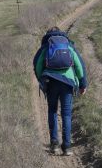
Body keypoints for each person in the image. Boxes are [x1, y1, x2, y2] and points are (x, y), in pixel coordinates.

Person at [33, 27, 88, 156]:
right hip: (68, 83)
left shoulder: (47, 45)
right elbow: (80, 65)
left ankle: (54, 144)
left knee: (52, 110)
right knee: (66, 114)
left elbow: (37, 65)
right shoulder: (68, 45)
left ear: (48, 34)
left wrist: (42, 79)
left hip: (51, 82)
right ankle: (67, 146)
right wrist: (82, 84)